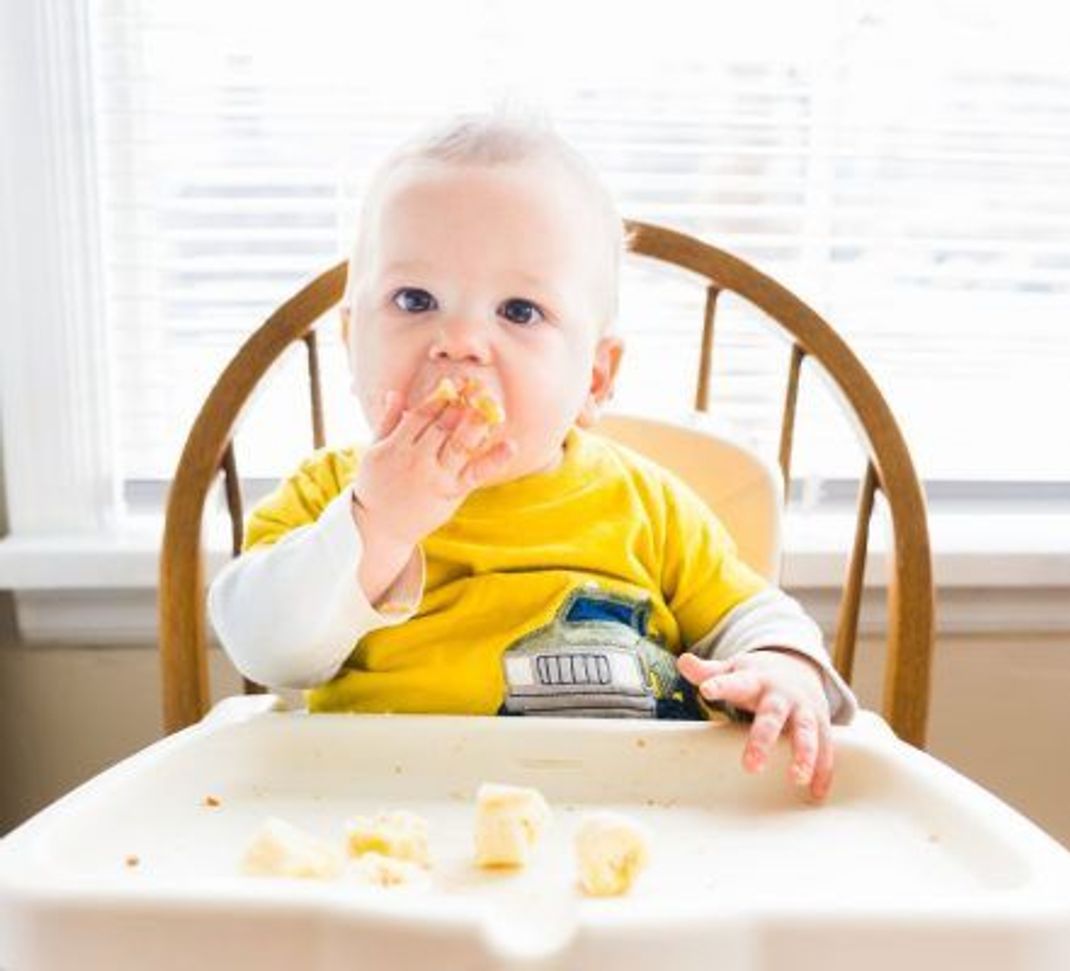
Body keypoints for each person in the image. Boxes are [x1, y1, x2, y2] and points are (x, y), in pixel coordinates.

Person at [208, 111, 857, 802]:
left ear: (596, 377)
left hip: (636, 821)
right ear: (349, 338)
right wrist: (376, 528)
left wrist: (782, 667)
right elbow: (264, 646)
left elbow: (752, 613)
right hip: (396, 824)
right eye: (414, 299)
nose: (459, 340)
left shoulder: (648, 506)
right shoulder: (329, 496)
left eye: (518, 311)